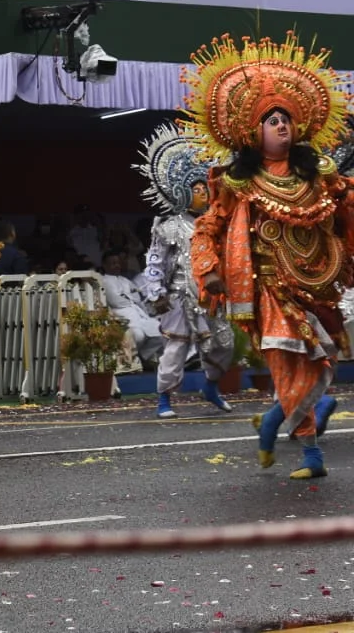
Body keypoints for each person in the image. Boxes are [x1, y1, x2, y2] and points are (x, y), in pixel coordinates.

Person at [186, 32, 354, 479]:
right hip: (269, 290)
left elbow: (345, 218)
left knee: (319, 362)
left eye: (286, 119)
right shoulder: (236, 184)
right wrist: (211, 272)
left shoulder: (321, 177)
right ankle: (311, 456)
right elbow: (206, 231)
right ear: (252, 130)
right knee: (286, 361)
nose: (282, 125)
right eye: (272, 119)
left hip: (318, 287)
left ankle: (279, 419)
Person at [134, 123, 234, 418]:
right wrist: (156, 293)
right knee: (175, 351)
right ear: (182, 193)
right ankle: (164, 399)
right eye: (197, 189)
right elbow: (154, 262)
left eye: (205, 188)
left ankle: (211, 387)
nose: (203, 193)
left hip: (211, 298)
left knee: (223, 346)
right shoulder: (168, 227)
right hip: (179, 298)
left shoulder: (216, 224)